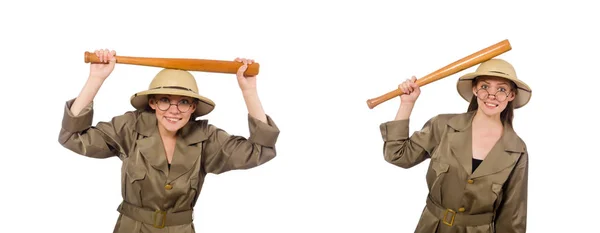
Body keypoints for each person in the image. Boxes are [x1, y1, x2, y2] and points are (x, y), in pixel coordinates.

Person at [58, 49, 280, 233]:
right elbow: (73, 137)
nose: (173, 111)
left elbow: (261, 149)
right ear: (152, 103)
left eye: (183, 102)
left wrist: (249, 90)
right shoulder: (130, 127)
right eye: (165, 100)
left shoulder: (207, 139)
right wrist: (96, 78)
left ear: (193, 108)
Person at [379, 59, 530, 233]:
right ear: (474, 89)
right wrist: (407, 104)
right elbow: (398, 155)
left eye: (502, 89)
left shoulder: (516, 150)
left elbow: (512, 215)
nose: (491, 95)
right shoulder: (443, 126)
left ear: (512, 95)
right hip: (431, 228)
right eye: (484, 87)